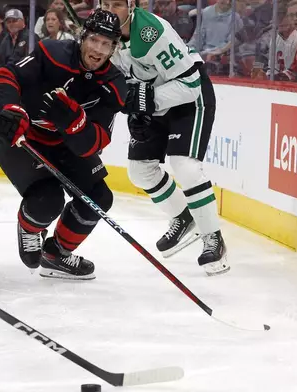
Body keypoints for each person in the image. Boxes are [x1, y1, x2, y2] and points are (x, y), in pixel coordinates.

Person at [0, 11, 127, 280]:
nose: (98, 50)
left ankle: (57, 254)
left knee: (99, 197)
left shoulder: (113, 84)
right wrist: (9, 110)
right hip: (24, 137)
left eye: (106, 44)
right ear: (83, 37)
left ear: (113, 49)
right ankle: (29, 228)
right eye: (94, 40)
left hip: (64, 143)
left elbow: (95, 142)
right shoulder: (52, 53)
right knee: (47, 200)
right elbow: (2, 79)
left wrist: (75, 123)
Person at [101, 0, 229, 276]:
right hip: (155, 97)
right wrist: (135, 109)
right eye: (105, 3)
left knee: (185, 165)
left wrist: (146, 101)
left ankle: (213, 238)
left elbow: (190, 84)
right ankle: (183, 217)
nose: (111, 10)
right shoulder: (104, 37)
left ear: (131, 6)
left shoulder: (150, 31)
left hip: (188, 95)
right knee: (140, 171)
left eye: (117, 4)